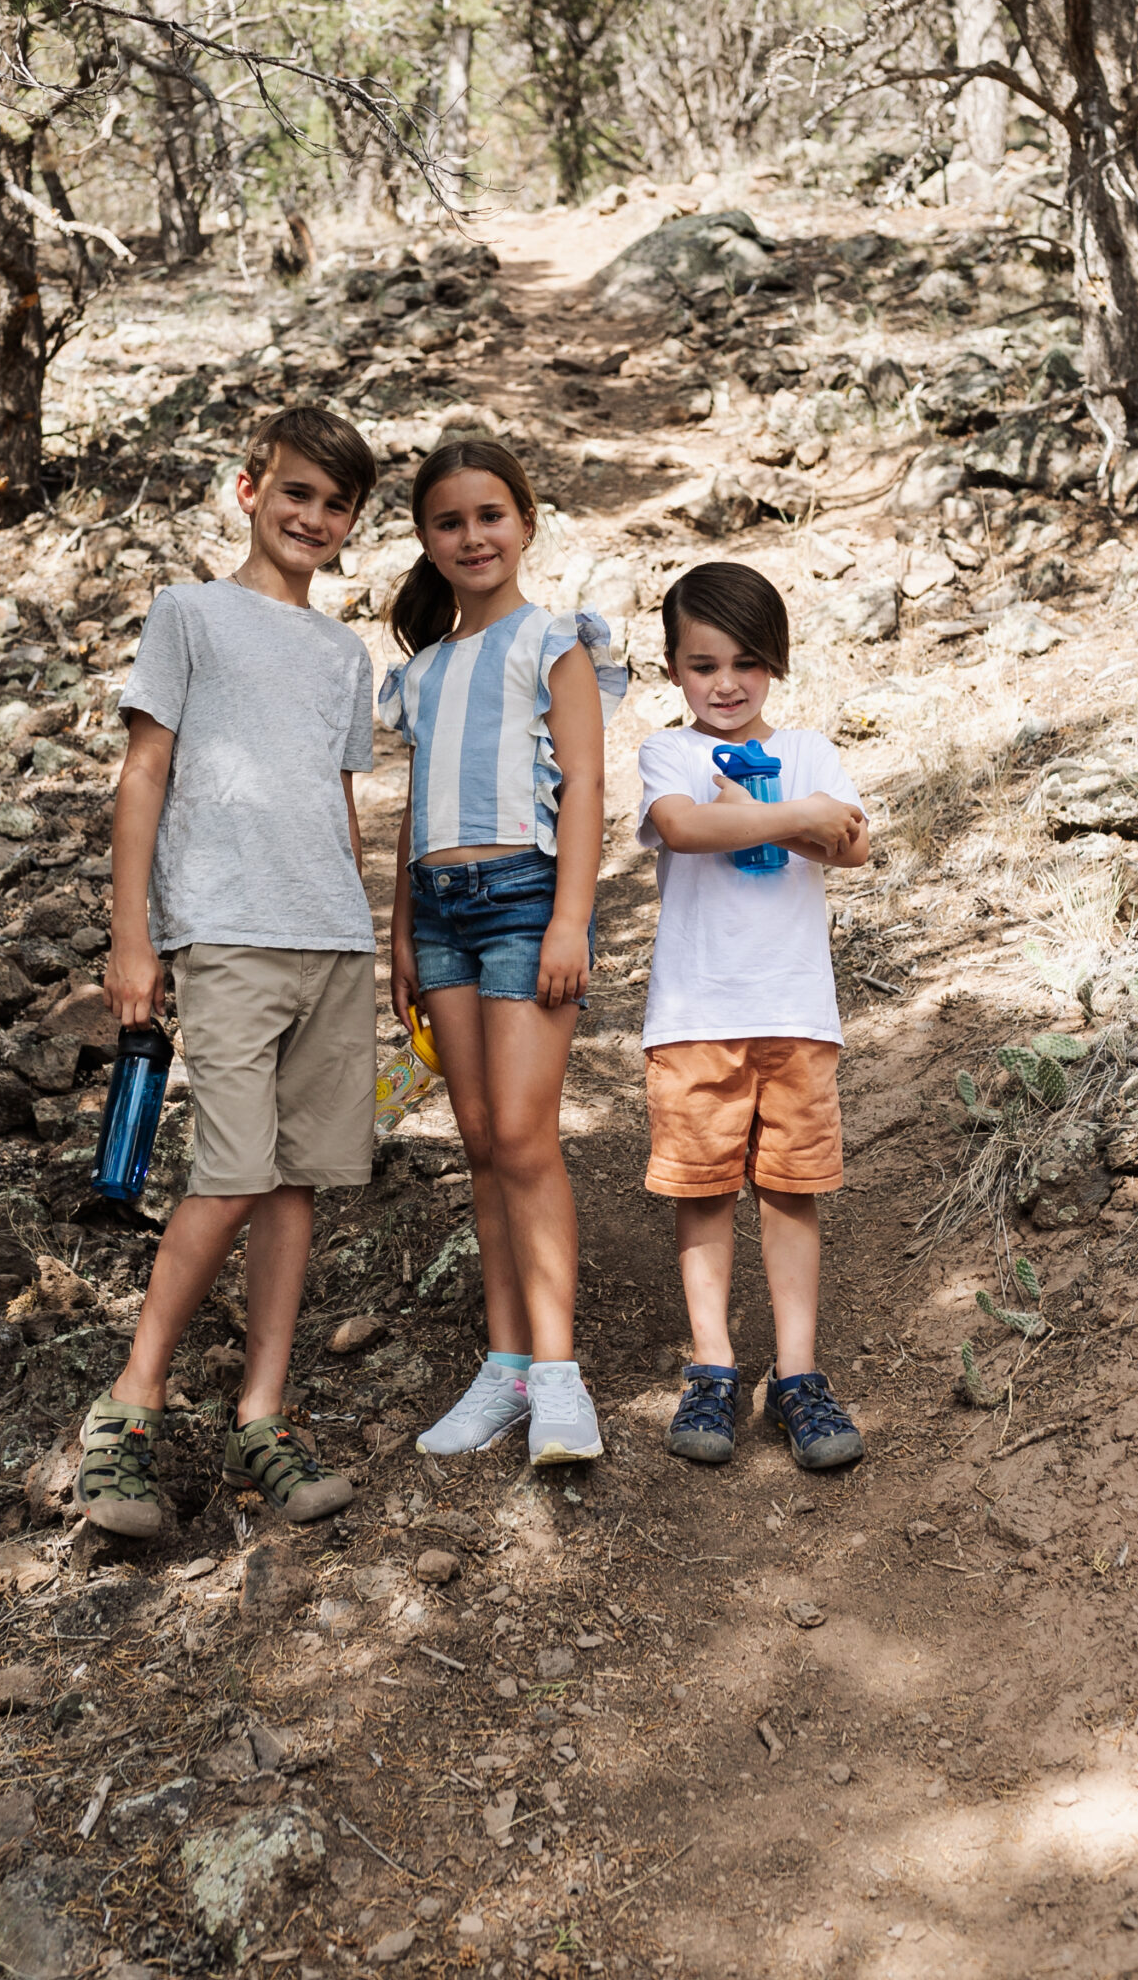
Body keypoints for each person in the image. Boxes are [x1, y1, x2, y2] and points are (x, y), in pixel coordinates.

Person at [76, 405, 380, 1538]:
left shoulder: (344, 653)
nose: (312, 516)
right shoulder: (190, 613)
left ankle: (263, 1412)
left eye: (335, 503)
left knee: (294, 1179)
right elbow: (143, 774)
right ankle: (131, 1404)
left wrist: (373, 930)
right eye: (294, 491)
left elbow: (339, 804)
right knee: (231, 1173)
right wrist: (133, 936)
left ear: (352, 525)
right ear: (248, 489)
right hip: (227, 932)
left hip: (332, 939)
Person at [380, 440, 626, 1466]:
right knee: (479, 1143)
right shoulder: (420, 673)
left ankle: (562, 1377)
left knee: (526, 1137)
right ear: (427, 541)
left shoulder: (553, 641)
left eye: (491, 515)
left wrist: (571, 919)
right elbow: (414, 813)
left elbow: (584, 791)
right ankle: (506, 1365)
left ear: (525, 521)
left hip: (524, 903)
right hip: (440, 918)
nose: (472, 536)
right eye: (449, 521)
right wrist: (399, 928)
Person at [636, 560, 870, 1473]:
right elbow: (686, 828)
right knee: (701, 1191)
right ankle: (712, 1367)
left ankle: (798, 1376)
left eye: (746, 662)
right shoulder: (670, 754)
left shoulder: (809, 750)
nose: (725, 684)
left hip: (796, 1012)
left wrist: (800, 813)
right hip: (695, 1012)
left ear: (774, 662)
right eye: (701, 665)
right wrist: (797, 818)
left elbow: (853, 845)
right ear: (671, 669)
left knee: (790, 1188)